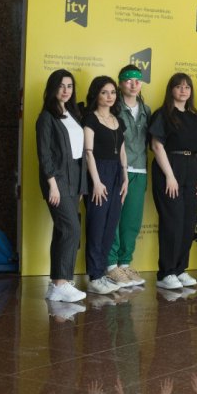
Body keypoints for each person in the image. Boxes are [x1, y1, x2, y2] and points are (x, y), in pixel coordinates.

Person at [150, 73, 197, 290]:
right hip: (169, 168)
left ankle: (180, 269)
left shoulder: (195, 117)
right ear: (171, 89)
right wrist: (169, 175)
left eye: (187, 87)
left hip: (192, 169)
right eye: (179, 86)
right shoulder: (163, 114)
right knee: (172, 221)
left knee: (188, 222)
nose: (183, 90)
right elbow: (157, 146)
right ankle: (166, 272)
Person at [37, 69, 88, 302]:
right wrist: (52, 185)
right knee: (70, 229)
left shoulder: (73, 114)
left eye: (69, 86)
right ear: (52, 88)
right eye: (61, 86)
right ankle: (62, 283)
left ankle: (55, 285)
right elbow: (44, 154)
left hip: (74, 178)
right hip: (57, 179)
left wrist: (80, 185)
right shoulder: (46, 117)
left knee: (62, 231)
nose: (66, 90)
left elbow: (79, 153)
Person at [82, 76, 129, 295]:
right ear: (96, 94)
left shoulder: (118, 120)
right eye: (104, 92)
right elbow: (88, 152)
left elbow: (122, 151)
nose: (109, 96)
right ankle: (94, 276)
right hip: (98, 173)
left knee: (110, 225)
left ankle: (102, 273)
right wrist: (97, 182)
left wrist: (125, 176)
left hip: (117, 173)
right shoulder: (90, 119)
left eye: (112, 92)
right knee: (97, 225)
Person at [107, 65, 150, 287]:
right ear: (120, 83)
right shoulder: (113, 107)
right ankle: (110, 265)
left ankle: (125, 264)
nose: (133, 84)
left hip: (139, 170)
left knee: (131, 221)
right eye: (128, 80)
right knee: (113, 218)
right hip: (117, 169)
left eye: (137, 80)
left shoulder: (146, 110)